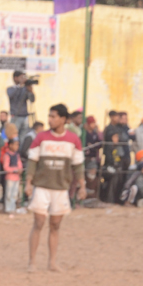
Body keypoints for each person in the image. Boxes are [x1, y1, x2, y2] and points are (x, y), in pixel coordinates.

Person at [25, 104, 85, 272]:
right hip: (42, 187)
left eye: (53, 117)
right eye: (49, 116)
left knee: (55, 225)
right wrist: (29, 183)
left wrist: (82, 186)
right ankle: (32, 262)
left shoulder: (73, 140)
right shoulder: (41, 137)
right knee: (38, 223)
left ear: (63, 119)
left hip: (61, 188)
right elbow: (32, 162)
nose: (50, 120)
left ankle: (52, 262)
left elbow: (78, 165)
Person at [6, 70, 36, 137]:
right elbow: (11, 95)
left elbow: (32, 100)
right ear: (15, 78)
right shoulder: (10, 89)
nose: (23, 79)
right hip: (15, 116)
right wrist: (20, 85)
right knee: (14, 136)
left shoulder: (25, 89)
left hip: (25, 116)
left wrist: (31, 91)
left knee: (24, 136)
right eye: (21, 77)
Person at [1, 136, 23, 213]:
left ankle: (12, 208)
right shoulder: (7, 155)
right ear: (10, 145)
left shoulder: (17, 155)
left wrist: (20, 170)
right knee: (9, 194)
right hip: (10, 177)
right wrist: (15, 170)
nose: (17, 147)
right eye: (15, 145)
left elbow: (20, 164)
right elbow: (6, 167)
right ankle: (8, 208)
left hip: (16, 178)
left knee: (14, 194)